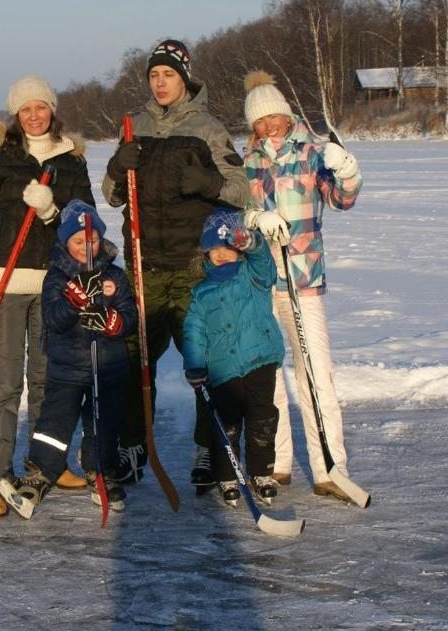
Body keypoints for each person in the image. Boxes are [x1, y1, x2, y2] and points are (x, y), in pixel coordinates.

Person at [101, 38, 250, 489]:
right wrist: (114, 165)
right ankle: (132, 447)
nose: (160, 83)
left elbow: (241, 192)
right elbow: (112, 196)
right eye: (154, 75)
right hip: (143, 264)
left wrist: (208, 183)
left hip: (191, 267)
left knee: (203, 363)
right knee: (131, 362)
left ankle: (209, 450)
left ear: (184, 79)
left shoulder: (208, 129)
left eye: (168, 75)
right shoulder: (134, 126)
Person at [0, 74, 96, 518]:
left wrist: (53, 211)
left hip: (53, 283)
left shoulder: (71, 159)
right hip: (7, 282)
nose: (34, 115)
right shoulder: (0, 156)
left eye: (41, 107)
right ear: (15, 115)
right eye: (25, 109)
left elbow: (88, 227)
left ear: (53, 110)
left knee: (46, 379)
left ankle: (45, 467)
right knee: (3, 383)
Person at [241, 70, 363, 501]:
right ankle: (277, 461)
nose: (269, 126)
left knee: (315, 374)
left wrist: (347, 168)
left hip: (303, 279)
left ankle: (330, 466)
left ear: (286, 114)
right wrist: (254, 218)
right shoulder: (248, 163)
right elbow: (234, 219)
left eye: (274, 116)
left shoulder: (312, 151)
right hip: (259, 282)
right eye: (260, 121)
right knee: (268, 377)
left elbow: (343, 199)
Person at [0, 200, 138, 519]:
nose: (86, 246)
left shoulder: (114, 275)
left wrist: (114, 321)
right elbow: (53, 320)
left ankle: (99, 473)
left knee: (103, 425)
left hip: (108, 368)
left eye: (92, 239)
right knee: (54, 424)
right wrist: (72, 302)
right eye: (78, 241)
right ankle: (39, 475)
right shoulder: (57, 278)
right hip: (66, 368)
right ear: (65, 241)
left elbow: (130, 316)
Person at [182, 208, 286, 505]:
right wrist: (194, 365)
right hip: (223, 369)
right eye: (215, 249)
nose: (222, 254)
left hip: (259, 360)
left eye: (228, 247)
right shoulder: (202, 292)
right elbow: (193, 331)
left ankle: (261, 471)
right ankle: (227, 475)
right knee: (226, 424)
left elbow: (265, 263)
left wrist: (250, 241)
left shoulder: (253, 275)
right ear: (206, 253)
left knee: (262, 418)